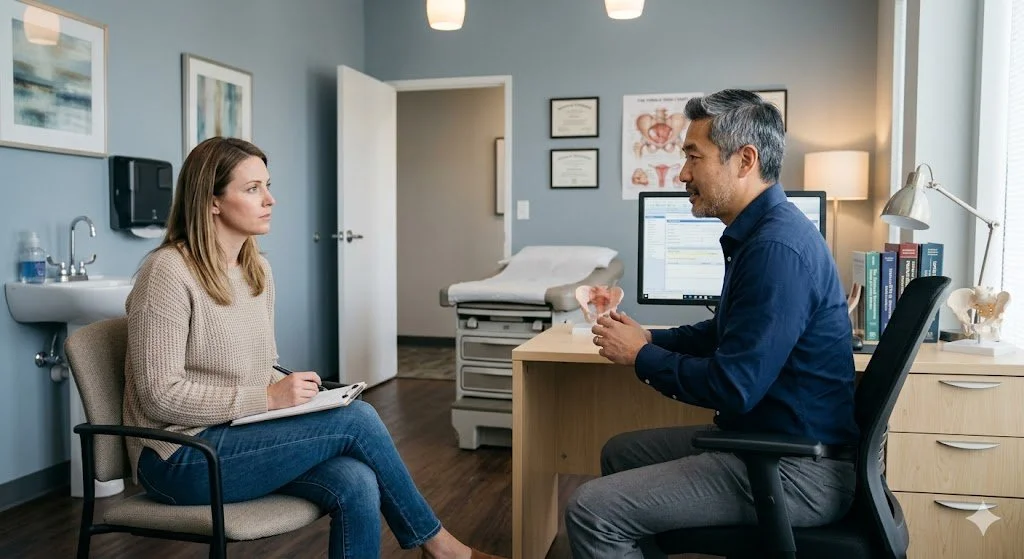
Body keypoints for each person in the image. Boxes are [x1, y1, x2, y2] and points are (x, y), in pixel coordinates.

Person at [123, 136, 505, 559]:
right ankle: (443, 548)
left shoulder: (256, 270)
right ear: (212, 201)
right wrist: (265, 398)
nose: (270, 199)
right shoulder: (167, 273)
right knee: (357, 421)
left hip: (236, 436)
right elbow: (157, 396)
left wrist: (304, 396)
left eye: (267, 185)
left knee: (356, 479)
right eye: (252, 189)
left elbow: (261, 366)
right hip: (180, 457)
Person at [563, 90, 860, 558]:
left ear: (745, 160)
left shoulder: (775, 250)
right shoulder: (764, 233)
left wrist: (640, 356)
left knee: (590, 509)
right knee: (620, 452)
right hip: (776, 446)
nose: (682, 174)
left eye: (692, 157)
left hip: (797, 470)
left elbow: (733, 387)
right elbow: (723, 332)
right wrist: (650, 337)